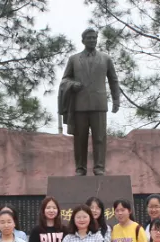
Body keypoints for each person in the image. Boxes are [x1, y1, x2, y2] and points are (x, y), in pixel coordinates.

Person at [60, 27, 121, 176]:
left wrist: (116, 99)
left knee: (100, 138)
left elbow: (113, 80)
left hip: (99, 104)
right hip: (79, 105)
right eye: (89, 38)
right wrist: (72, 84)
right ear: (83, 40)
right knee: (80, 140)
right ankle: (80, 168)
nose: (92, 40)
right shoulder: (74, 59)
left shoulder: (105, 58)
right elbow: (64, 79)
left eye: (94, 38)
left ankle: (99, 167)